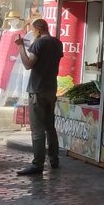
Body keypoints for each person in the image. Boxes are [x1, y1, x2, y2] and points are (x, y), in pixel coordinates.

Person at [15, 18, 63, 176]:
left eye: (33, 30)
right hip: (51, 88)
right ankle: (54, 159)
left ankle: (38, 164)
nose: (32, 33)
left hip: (37, 89)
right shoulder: (57, 43)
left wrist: (21, 46)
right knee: (50, 127)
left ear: (39, 29)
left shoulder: (38, 44)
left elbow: (28, 64)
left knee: (37, 130)